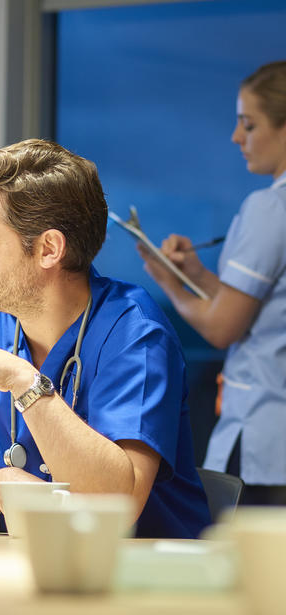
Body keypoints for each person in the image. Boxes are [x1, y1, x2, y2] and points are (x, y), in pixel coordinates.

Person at [0, 139, 211, 539]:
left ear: (49, 249)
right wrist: (1, 486)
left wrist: (25, 383)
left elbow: (114, 507)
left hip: (145, 582)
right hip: (30, 573)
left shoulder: (134, 333)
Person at [139, 61, 286, 505]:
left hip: (265, 437)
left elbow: (223, 327)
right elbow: (258, 302)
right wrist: (197, 275)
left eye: (249, 124)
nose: (237, 138)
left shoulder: (269, 208)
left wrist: (170, 283)